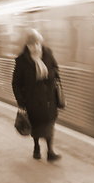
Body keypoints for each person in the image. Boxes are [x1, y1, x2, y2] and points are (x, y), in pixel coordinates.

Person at [12, 28, 62, 161]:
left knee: (50, 123)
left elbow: (56, 68)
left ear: (40, 42)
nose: (35, 47)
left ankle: (50, 151)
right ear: (27, 45)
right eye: (31, 44)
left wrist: (51, 74)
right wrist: (21, 102)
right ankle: (36, 147)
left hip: (49, 98)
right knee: (36, 125)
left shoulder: (48, 53)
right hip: (32, 99)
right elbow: (15, 83)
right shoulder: (22, 60)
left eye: (37, 43)